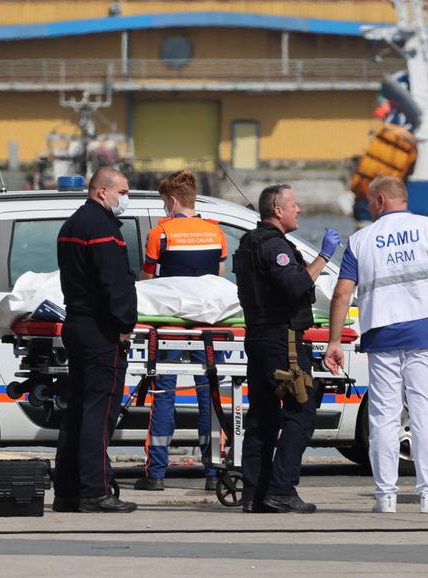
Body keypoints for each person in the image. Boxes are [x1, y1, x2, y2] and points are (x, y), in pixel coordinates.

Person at [324, 176, 428, 515]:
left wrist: (335, 341)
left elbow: (342, 293)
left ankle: (385, 497)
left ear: (381, 200)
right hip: (424, 333)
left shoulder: (360, 240)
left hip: (381, 336)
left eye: (369, 202)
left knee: (384, 417)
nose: (368, 208)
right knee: (425, 415)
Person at [234, 184, 340, 513]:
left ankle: (255, 493)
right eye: (294, 205)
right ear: (278, 211)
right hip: (284, 342)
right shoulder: (274, 246)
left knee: (263, 417)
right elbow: (295, 285)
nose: (300, 210)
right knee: (301, 412)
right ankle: (281, 488)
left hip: (259, 337)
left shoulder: (249, 242)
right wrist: (324, 256)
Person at [134, 170, 228, 492]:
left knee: (163, 394)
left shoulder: (160, 233)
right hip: (208, 328)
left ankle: (156, 474)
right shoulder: (215, 233)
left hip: (170, 326)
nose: (164, 208)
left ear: (172, 200)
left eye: (164, 202)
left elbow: (147, 284)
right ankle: (214, 471)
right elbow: (218, 279)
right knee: (210, 396)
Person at [53, 167, 138, 513]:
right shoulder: (102, 229)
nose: (125, 199)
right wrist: (125, 323)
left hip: (76, 323)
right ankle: (94, 491)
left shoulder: (71, 225)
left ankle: (68, 491)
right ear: (103, 192)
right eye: (122, 192)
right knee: (98, 412)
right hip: (100, 330)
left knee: (77, 410)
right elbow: (115, 282)